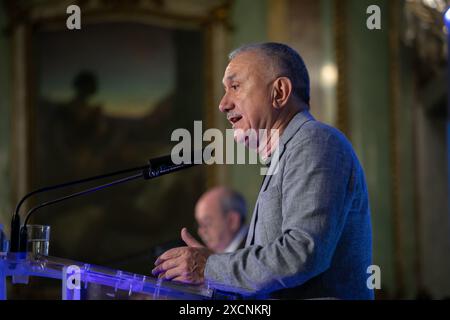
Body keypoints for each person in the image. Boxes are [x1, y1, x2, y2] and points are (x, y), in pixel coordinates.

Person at [152, 42, 374, 299]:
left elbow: (301, 254)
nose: (223, 104)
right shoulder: (287, 154)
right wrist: (209, 286)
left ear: (279, 92)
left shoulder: (315, 141)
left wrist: (209, 267)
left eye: (235, 87)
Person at [195, 187, 248, 253]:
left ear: (232, 221)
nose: (201, 231)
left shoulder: (252, 253)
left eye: (206, 223)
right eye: (199, 224)